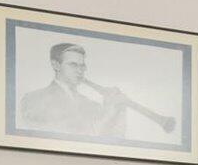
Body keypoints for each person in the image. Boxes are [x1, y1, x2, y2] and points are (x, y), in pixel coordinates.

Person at [16, 41, 174, 138]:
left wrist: (120, 109)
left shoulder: (91, 105)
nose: (80, 70)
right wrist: (108, 114)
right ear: (56, 65)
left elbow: (115, 141)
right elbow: (70, 138)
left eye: (82, 65)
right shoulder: (34, 99)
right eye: (73, 65)